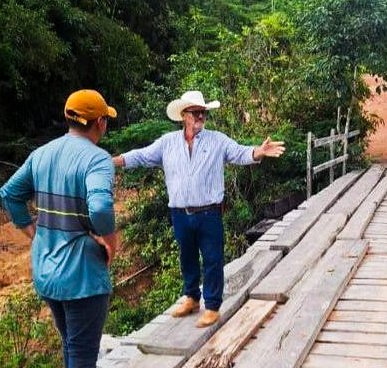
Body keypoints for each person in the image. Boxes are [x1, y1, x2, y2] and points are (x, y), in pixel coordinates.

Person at [0, 90, 120, 368]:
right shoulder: (97, 160)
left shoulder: (42, 154)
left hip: (47, 270)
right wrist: (109, 239)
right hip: (80, 273)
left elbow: (10, 193)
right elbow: (100, 208)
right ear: (99, 122)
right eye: (105, 120)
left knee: (72, 343)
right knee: (82, 350)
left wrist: (31, 230)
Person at [112, 90, 285, 328]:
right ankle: (192, 298)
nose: (201, 117)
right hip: (180, 214)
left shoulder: (217, 140)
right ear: (184, 115)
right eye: (196, 112)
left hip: (209, 212)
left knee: (213, 259)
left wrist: (259, 151)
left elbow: (240, 153)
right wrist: (114, 161)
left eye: (203, 112)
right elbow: (142, 156)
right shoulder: (167, 143)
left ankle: (212, 306)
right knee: (187, 257)